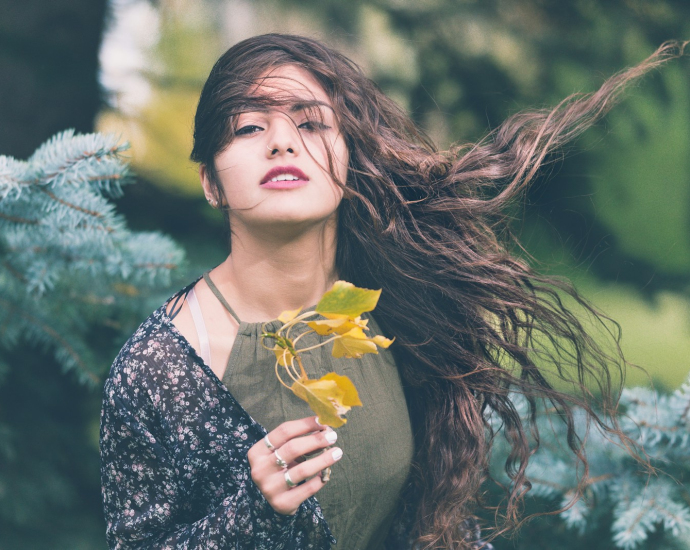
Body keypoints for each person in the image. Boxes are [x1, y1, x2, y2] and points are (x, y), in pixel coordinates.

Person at [100, 34, 684, 549]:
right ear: (211, 182)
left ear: (348, 158)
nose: (281, 141)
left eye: (310, 123)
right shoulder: (161, 367)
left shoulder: (394, 311)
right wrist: (254, 513)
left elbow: (424, 522)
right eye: (249, 127)